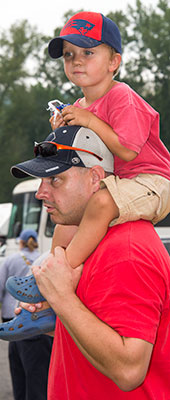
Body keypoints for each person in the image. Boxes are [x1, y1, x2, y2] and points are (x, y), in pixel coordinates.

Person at [1, 125, 170, 398]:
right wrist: (55, 315)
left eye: (55, 180)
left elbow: (130, 370)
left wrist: (63, 300)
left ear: (95, 178)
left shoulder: (126, 251)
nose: (40, 193)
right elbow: (101, 336)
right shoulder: (87, 242)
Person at [47, 10, 170, 269]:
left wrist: (89, 121)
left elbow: (127, 151)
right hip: (116, 181)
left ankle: (62, 274)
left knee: (101, 202)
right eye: (69, 54)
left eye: (88, 52)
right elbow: (82, 158)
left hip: (151, 181)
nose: (76, 61)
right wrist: (60, 135)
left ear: (114, 61)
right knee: (67, 219)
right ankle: (50, 268)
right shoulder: (79, 106)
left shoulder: (121, 96)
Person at [0, 229, 53, 400]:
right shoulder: (44, 255)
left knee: (23, 384)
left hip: (19, 319)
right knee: (37, 383)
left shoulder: (11, 259)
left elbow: (2, 286)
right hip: (34, 326)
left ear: (20, 241)